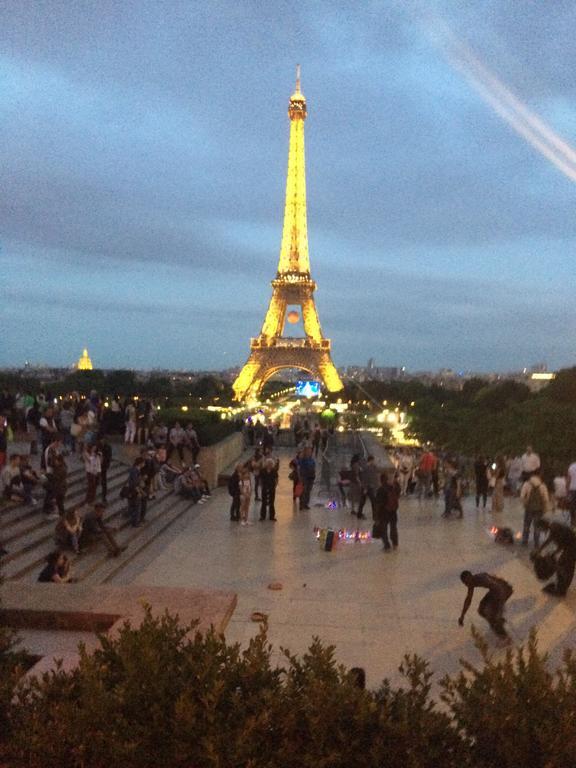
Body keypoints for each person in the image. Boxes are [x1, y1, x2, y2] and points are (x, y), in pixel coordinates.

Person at [458, 571, 513, 640]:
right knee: (481, 610)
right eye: (465, 583)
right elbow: (468, 599)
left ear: (471, 577)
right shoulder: (472, 582)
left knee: (493, 617)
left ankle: (504, 637)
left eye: (468, 582)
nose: (468, 584)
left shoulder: (482, 578)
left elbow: (498, 586)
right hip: (495, 591)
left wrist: (497, 610)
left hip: (502, 590)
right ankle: (498, 623)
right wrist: (462, 616)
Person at [533, 519, 576, 597]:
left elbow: (561, 544)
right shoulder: (553, 526)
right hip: (570, 547)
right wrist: (540, 549)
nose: (540, 531)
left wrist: (553, 557)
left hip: (572, 549)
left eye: (539, 528)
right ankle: (563, 586)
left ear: (542, 526)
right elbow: (551, 539)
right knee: (564, 566)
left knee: (563, 566)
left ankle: (561, 590)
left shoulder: (555, 529)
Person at [520, 471, 549, 548]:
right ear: (539, 475)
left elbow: (522, 496)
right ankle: (536, 542)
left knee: (526, 525)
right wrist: (545, 508)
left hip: (529, 508)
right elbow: (546, 499)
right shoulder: (542, 485)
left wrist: (525, 504)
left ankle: (524, 540)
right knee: (537, 526)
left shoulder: (526, 484)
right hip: (539, 509)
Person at [374, 472, 401, 551]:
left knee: (383, 529)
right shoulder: (394, 487)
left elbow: (378, 503)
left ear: (381, 480)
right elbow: (398, 494)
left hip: (384, 512)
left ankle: (387, 545)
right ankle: (395, 544)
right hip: (393, 511)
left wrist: (376, 515)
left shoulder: (380, 489)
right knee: (393, 528)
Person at [358, 455, 380, 520]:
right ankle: (360, 514)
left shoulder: (373, 467)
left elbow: (375, 476)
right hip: (367, 487)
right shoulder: (366, 467)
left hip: (371, 487)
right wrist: (365, 487)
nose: (374, 461)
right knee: (365, 501)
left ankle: (374, 516)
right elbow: (365, 478)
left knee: (371, 502)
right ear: (371, 460)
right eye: (373, 460)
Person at [260, 457, 279, 521]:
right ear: (266, 464)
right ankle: (262, 516)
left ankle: (272, 516)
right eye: (268, 463)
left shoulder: (274, 471)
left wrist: (275, 486)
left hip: (272, 488)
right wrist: (261, 486)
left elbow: (276, 479)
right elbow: (260, 479)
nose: (269, 465)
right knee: (264, 502)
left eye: (270, 463)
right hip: (264, 488)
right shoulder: (263, 470)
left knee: (272, 503)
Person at [97, 435, 113, 504]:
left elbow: (109, 457)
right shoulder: (98, 446)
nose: (101, 441)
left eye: (102, 440)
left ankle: (104, 496)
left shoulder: (108, 447)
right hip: (97, 465)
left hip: (103, 466)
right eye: (100, 440)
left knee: (104, 481)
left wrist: (105, 461)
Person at [566, 459, 576, 527]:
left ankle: (573, 522)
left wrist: (567, 489)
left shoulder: (571, 466)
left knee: (572, 507)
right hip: (572, 489)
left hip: (572, 489)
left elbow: (568, 479)